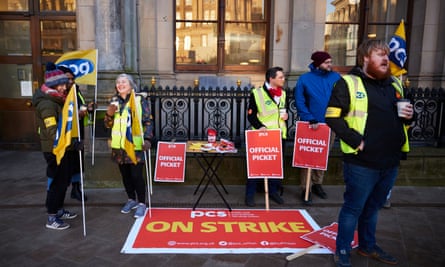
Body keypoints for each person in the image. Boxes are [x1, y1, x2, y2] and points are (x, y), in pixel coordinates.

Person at [325, 39, 413, 267]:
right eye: (379, 54)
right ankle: (342, 249)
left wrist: (410, 116)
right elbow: (332, 117)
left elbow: (404, 117)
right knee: (353, 208)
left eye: (387, 55)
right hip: (361, 162)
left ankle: (367, 246)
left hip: (390, 160)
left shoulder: (395, 84)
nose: (386, 59)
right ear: (365, 58)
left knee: (373, 207)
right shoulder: (348, 83)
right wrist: (357, 142)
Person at [33, 62, 79, 230]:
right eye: (61, 84)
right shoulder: (47, 104)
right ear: (53, 85)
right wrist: (70, 142)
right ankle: (52, 216)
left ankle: (58, 209)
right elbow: (53, 131)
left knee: (63, 180)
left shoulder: (57, 100)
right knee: (58, 182)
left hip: (62, 148)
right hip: (54, 149)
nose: (64, 87)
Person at [294, 51, 341, 205]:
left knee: (323, 156)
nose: (330, 64)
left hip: (331, 123)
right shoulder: (304, 79)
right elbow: (300, 101)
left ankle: (317, 183)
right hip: (312, 124)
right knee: (308, 157)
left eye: (330, 61)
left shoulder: (336, 77)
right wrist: (309, 118)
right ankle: (306, 187)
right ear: (318, 63)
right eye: (327, 62)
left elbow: (343, 97)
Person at [104, 73, 153, 218]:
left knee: (136, 175)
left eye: (123, 82)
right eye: (118, 82)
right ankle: (131, 199)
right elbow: (107, 125)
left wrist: (148, 139)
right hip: (119, 147)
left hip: (136, 145)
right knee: (125, 176)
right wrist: (109, 114)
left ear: (131, 85)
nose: (120, 84)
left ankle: (142, 203)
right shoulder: (113, 101)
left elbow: (148, 121)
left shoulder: (139, 100)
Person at [245, 66, 287, 207]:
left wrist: (286, 116)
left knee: (275, 166)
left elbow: (282, 112)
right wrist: (260, 127)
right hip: (262, 135)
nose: (283, 79)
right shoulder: (257, 93)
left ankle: (273, 191)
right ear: (271, 79)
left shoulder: (283, 94)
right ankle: (250, 194)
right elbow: (251, 115)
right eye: (280, 77)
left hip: (279, 135)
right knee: (256, 165)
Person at [58, 66, 94, 202]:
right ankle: (57, 199)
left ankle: (76, 188)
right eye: (68, 79)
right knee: (64, 165)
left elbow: (81, 106)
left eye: (73, 78)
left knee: (77, 162)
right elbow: (61, 114)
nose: (72, 81)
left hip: (77, 132)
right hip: (64, 133)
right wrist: (76, 115)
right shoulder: (59, 94)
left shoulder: (76, 91)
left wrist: (88, 109)